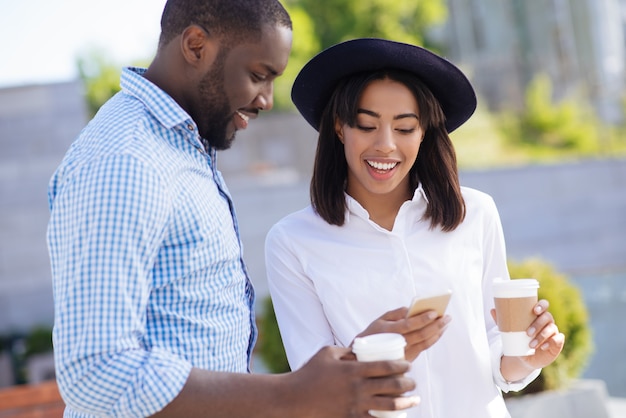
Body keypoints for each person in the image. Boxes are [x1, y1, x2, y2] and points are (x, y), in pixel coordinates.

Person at [46, 4, 418, 417]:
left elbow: (189, 337)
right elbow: (96, 370)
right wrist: (290, 394)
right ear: (195, 45)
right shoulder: (127, 160)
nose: (267, 99)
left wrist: (342, 370)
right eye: (258, 76)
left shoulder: (179, 148)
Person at [265, 38, 566, 418]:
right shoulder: (293, 242)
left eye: (405, 128)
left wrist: (527, 357)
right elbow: (313, 390)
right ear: (340, 127)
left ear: (424, 133)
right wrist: (367, 351)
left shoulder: (475, 213)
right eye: (366, 125)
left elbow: (495, 356)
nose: (385, 145)